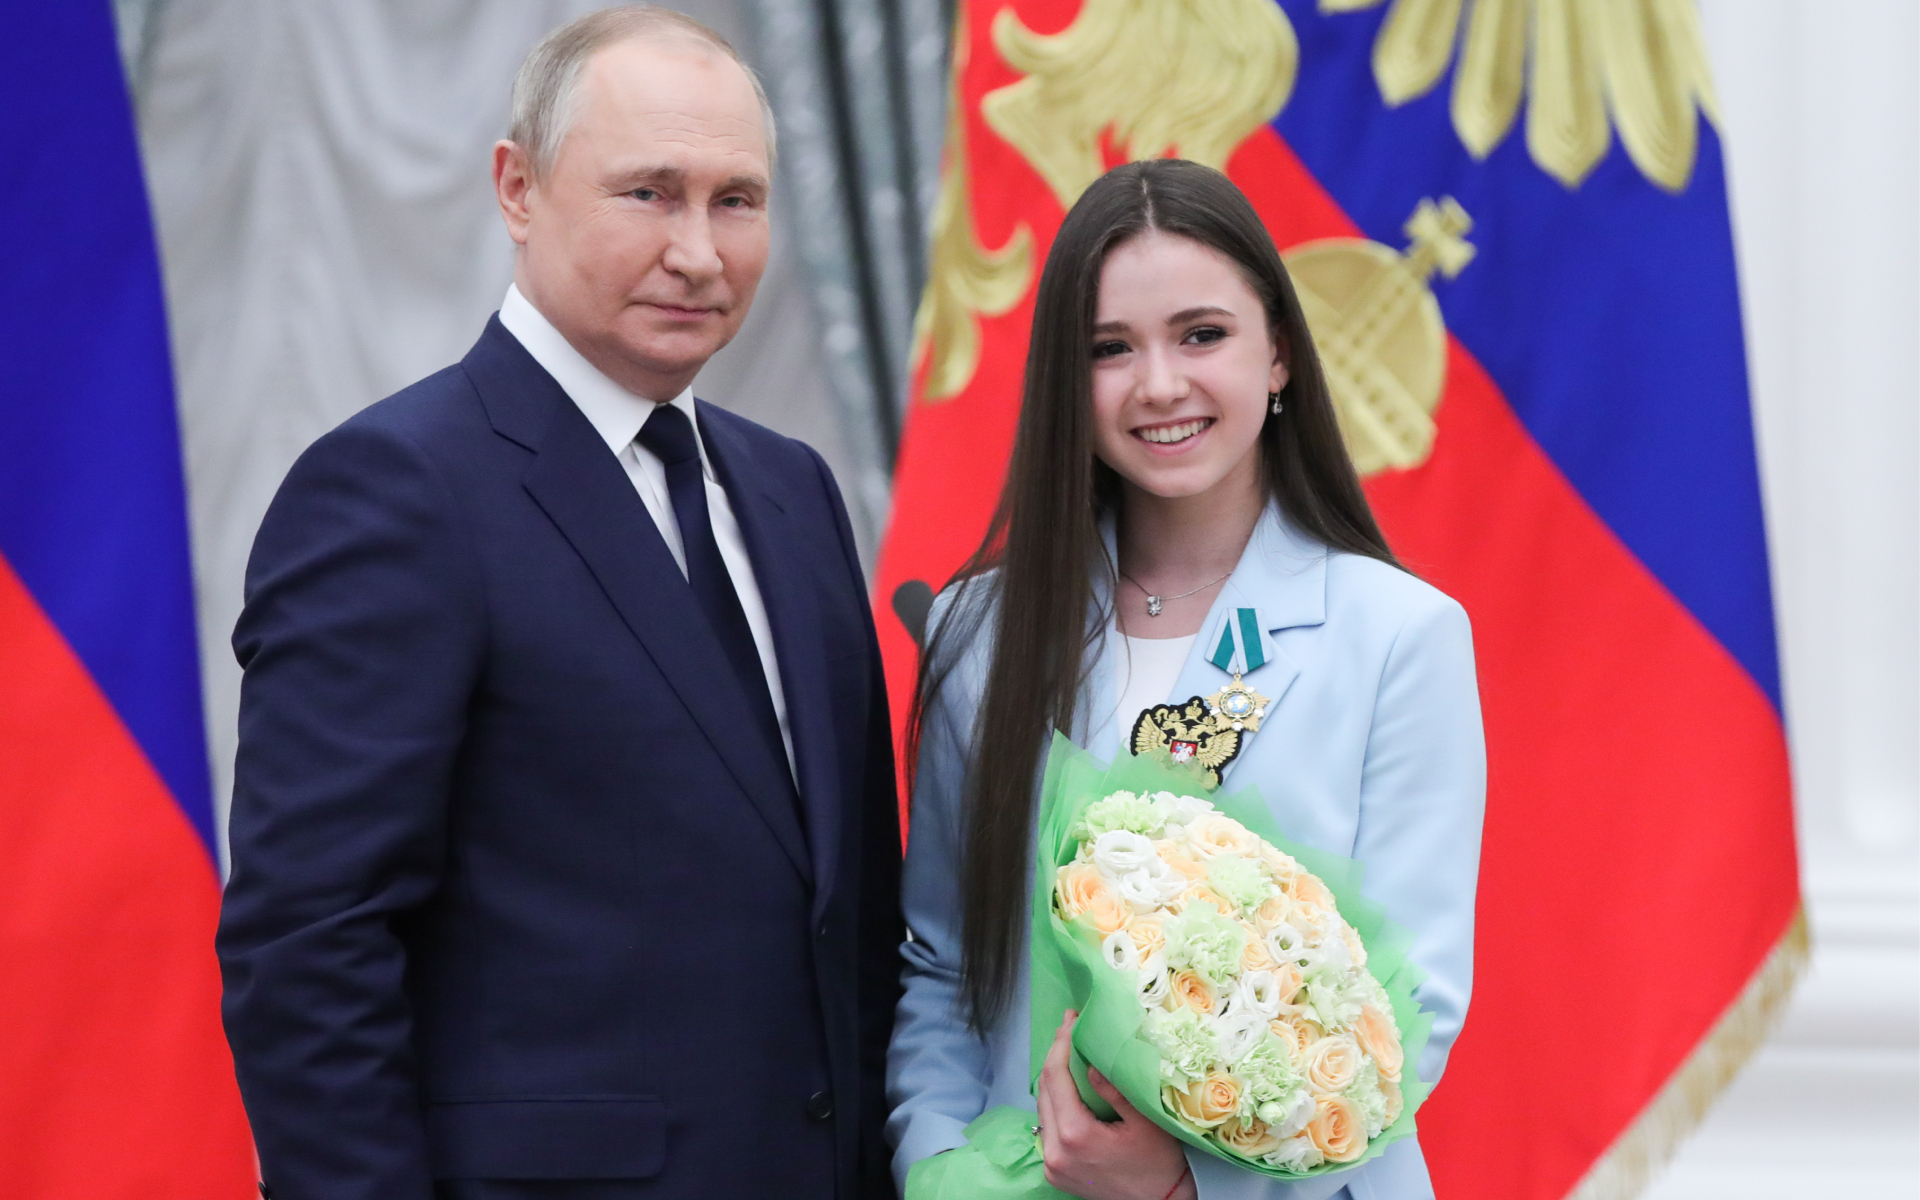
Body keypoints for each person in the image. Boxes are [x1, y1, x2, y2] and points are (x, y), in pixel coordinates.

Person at [217, 8, 902, 1198]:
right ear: (517, 188)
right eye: (649, 193)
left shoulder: (794, 492)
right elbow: (311, 946)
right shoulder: (395, 489)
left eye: (737, 201)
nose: (699, 252)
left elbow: (849, 919)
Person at [885, 159, 1485, 1200]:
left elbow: (1410, 1010)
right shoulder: (978, 633)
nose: (1159, 384)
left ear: (1279, 352)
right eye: (1109, 348)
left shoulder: (1399, 635)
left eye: (1201, 335)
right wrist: (938, 1165)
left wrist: (1187, 1186)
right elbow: (944, 965)